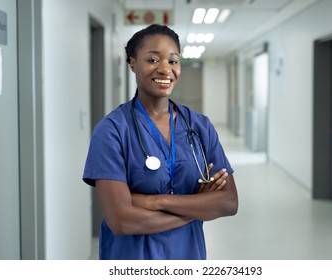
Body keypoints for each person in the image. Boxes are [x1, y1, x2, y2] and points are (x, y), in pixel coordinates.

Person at [83, 24, 238, 260]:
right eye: (153, 60)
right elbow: (121, 220)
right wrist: (197, 207)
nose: (165, 69)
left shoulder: (199, 126)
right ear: (132, 63)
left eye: (173, 61)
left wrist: (154, 201)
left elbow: (228, 202)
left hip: (188, 256)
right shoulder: (112, 130)